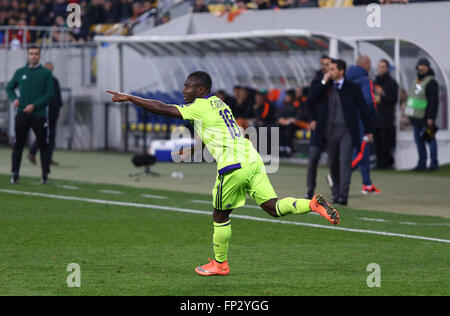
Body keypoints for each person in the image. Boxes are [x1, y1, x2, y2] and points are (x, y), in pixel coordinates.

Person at [107, 71, 340, 276]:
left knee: (220, 216)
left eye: (188, 85)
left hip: (232, 167)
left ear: (201, 89)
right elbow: (228, 132)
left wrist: (130, 97)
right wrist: (194, 148)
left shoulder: (199, 106)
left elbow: (163, 109)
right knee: (273, 207)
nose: (183, 89)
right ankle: (312, 205)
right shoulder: (220, 104)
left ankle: (220, 264)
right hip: (252, 160)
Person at [308, 59, 373, 205]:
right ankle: (336, 192)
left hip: (347, 131)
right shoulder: (326, 87)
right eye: (328, 69)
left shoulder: (353, 87)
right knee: (333, 163)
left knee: (344, 162)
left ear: (341, 71)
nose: (329, 72)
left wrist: (368, 130)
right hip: (330, 130)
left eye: (332, 69)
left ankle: (344, 195)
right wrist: (324, 82)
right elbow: (312, 99)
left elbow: (363, 109)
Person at [6, 46, 54, 184]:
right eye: (31, 54)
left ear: (39, 56)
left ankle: (45, 175)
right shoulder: (20, 72)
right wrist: (14, 99)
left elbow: (50, 94)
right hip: (21, 114)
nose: (33, 56)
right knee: (18, 145)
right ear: (27, 55)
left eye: (36, 54)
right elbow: (9, 88)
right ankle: (15, 174)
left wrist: (34, 105)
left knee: (43, 144)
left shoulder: (46, 73)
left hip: (39, 114)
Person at [346, 55, 381, 195]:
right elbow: (368, 101)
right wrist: (373, 115)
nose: (370, 67)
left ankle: (367, 184)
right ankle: (338, 176)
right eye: (369, 64)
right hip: (361, 120)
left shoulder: (346, 79)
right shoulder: (365, 80)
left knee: (363, 151)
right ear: (364, 64)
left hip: (348, 120)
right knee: (360, 151)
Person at [405, 58, 439, 171]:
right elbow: (416, 98)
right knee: (419, 142)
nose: (421, 67)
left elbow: (433, 101)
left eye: (423, 66)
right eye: (419, 65)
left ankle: (434, 163)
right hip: (416, 117)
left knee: (430, 140)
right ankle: (422, 163)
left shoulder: (431, 82)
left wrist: (431, 117)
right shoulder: (418, 80)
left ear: (428, 67)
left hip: (425, 118)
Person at [305, 55, 331, 199]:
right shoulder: (318, 81)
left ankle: (336, 190)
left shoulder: (337, 83)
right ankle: (310, 190)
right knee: (313, 159)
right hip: (319, 127)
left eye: (327, 64)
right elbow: (311, 101)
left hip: (332, 127)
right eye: (323, 64)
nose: (324, 67)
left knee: (335, 161)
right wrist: (312, 119)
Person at [28, 62, 63, 166]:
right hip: (44, 114)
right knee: (43, 136)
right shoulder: (40, 81)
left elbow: (57, 97)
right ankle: (32, 153)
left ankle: (48, 158)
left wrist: (58, 108)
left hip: (53, 114)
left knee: (51, 137)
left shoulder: (54, 80)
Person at [373, 59, 398, 169]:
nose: (381, 69)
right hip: (376, 116)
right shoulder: (375, 82)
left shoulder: (392, 83)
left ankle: (386, 163)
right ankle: (379, 162)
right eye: (379, 67)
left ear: (387, 68)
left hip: (386, 117)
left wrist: (383, 94)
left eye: (383, 67)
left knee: (386, 141)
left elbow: (394, 99)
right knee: (377, 141)